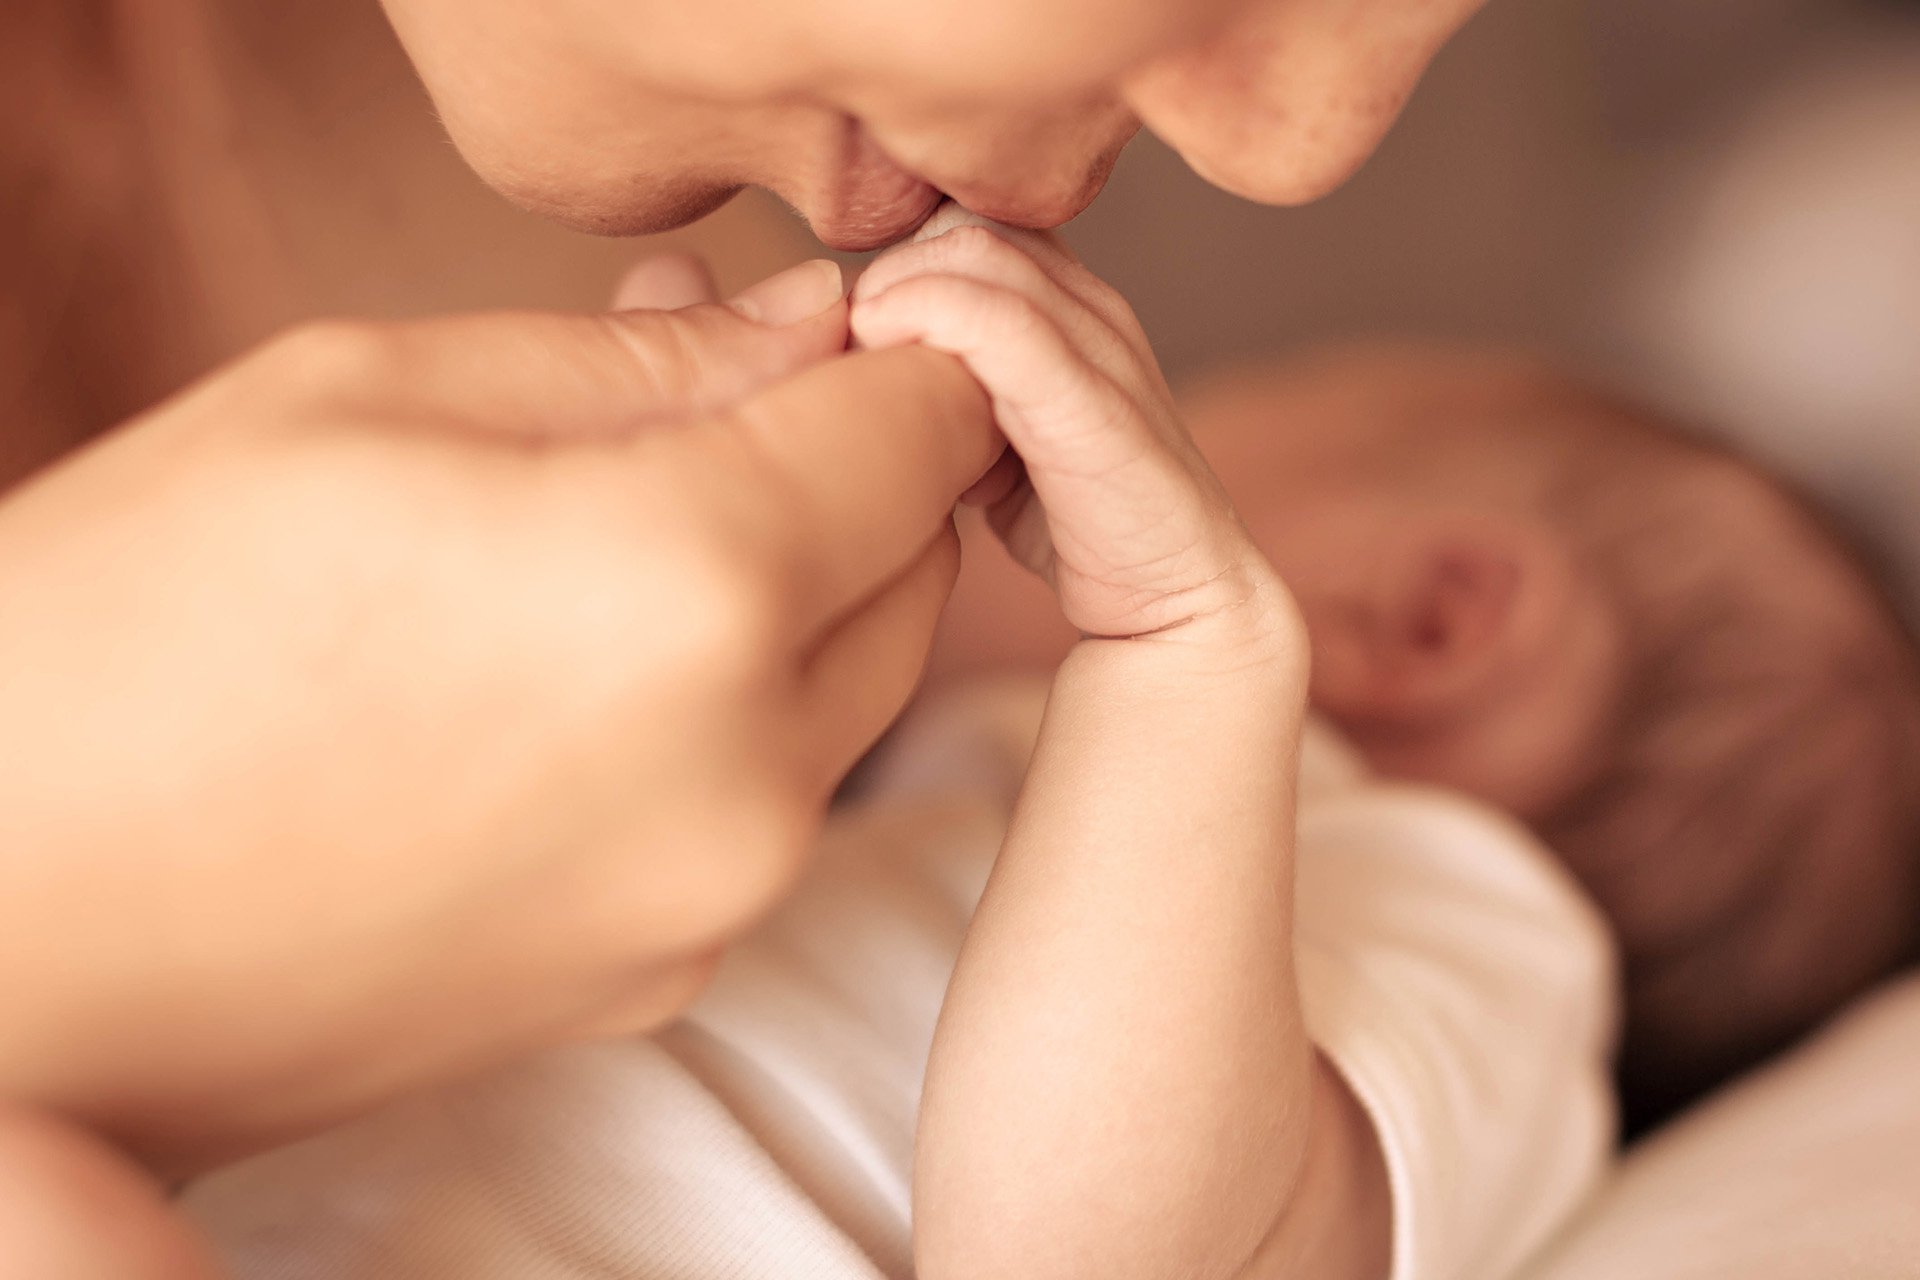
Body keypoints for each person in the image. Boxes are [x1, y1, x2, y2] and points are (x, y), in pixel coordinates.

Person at [178, 214, 1920, 1279]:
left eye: (1229, 419)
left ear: (1431, 621)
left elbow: (1096, 1258)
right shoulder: (951, 810)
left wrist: (1186, 650)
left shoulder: (1467, 933)